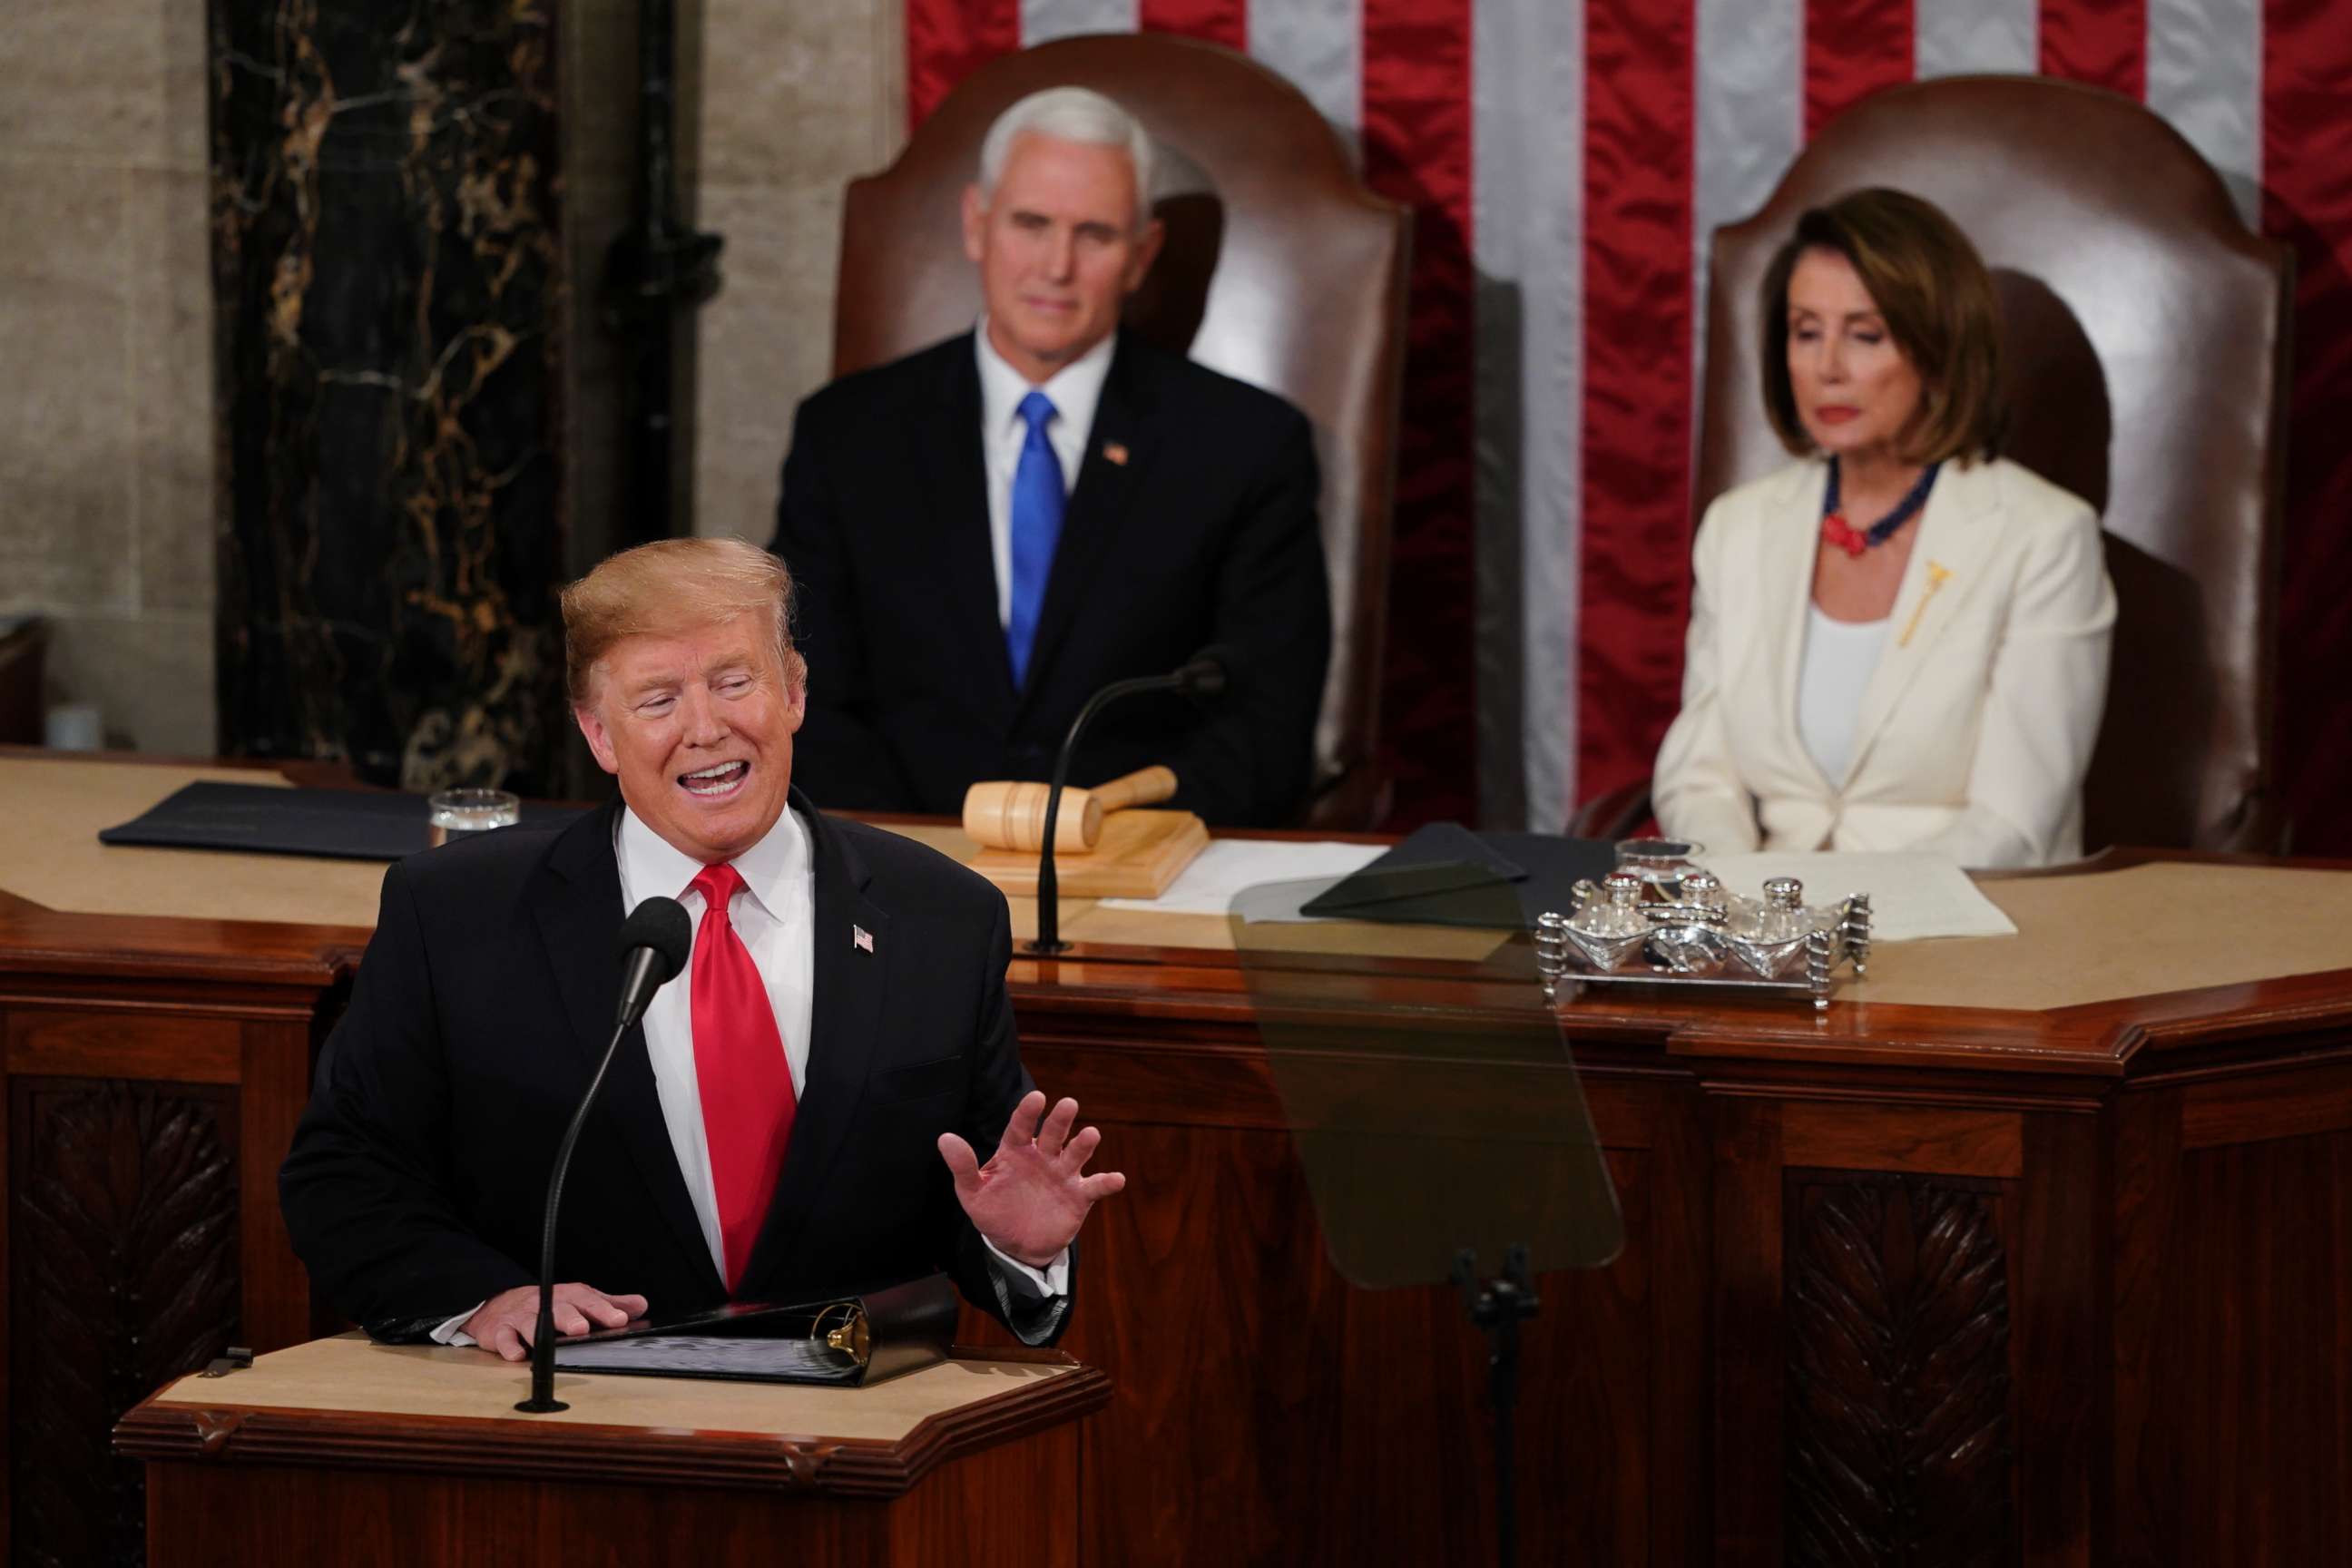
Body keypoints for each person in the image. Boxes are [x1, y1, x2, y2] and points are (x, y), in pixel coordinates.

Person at [279, 538, 1123, 1358]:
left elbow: (973, 1188)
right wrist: (483, 1300)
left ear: (792, 692)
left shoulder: (943, 918)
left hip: (847, 1440)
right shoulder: (456, 916)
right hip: (573, 1429)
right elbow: (345, 1174)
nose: (706, 728)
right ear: (599, 734)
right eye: (657, 701)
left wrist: (1018, 1248)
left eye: (734, 682)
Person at [771, 85, 1330, 828]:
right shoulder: (847, 434)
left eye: (1094, 234)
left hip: (1143, 874)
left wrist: (1109, 847)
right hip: (901, 869)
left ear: (1141, 256)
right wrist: (911, 866)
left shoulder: (1247, 445)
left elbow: (1264, 722)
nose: (1056, 266)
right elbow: (804, 692)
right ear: (977, 224)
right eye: (1031, 224)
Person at [1652, 188, 2116, 868]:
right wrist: (1740, 895)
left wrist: (1850, 919)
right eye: (1806, 331)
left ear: (1938, 348)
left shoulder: (2043, 538)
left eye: (1865, 335)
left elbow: (2015, 824)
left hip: (1970, 929)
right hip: (1769, 935)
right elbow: (1699, 775)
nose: (1827, 368)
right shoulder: (1739, 528)